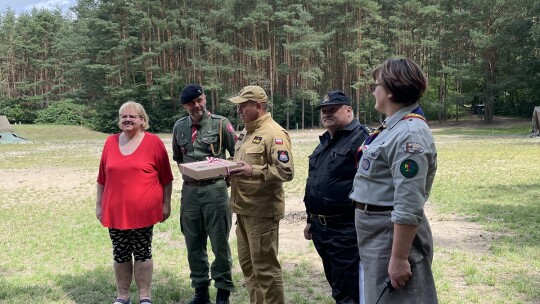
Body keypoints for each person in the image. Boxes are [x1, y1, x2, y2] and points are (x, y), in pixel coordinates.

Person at [350, 58, 438, 304]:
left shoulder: (409, 133)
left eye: (375, 85)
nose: (372, 90)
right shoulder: (392, 128)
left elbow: (409, 203)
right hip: (377, 232)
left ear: (389, 89)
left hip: (389, 235)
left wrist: (399, 258)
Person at [96, 101, 174, 304]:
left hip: (144, 211)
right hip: (115, 210)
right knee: (120, 252)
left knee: (142, 252)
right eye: (123, 116)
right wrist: (99, 205)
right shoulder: (110, 142)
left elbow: (166, 178)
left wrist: (166, 204)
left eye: (132, 116)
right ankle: (122, 296)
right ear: (119, 120)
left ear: (142, 120)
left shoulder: (154, 142)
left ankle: (144, 296)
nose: (127, 119)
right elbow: (102, 178)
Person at [227, 85, 294, 304]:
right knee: (249, 268)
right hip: (243, 210)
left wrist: (252, 170)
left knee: (265, 269)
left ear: (258, 106)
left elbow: (286, 171)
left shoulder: (274, 134)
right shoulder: (247, 131)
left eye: (243, 106)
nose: (239, 110)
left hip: (262, 213)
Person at [172, 84, 237, 304]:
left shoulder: (221, 124)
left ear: (205, 99)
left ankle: (223, 291)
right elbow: (178, 159)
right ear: (185, 106)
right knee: (193, 242)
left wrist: (224, 178)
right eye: (191, 103)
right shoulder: (179, 127)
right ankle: (200, 291)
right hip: (190, 192)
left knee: (220, 242)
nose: (196, 105)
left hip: (215, 191)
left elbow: (236, 156)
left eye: (199, 100)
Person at [303, 90, 370, 304]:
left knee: (348, 291)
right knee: (337, 285)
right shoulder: (325, 141)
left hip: (345, 230)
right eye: (324, 111)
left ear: (349, 110)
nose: (327, 114)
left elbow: (370, 186)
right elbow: (314, 182)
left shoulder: (362, 138)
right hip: (321, 229)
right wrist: (309, 220)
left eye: (333, 109)